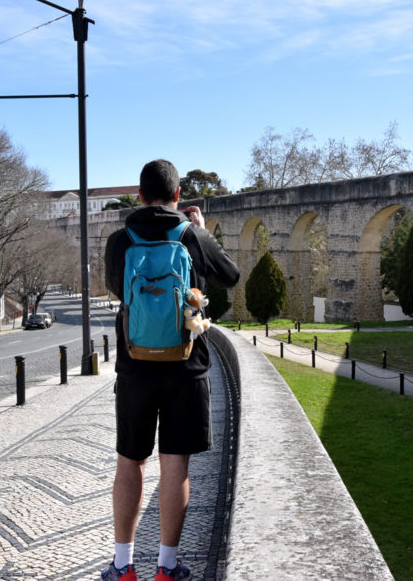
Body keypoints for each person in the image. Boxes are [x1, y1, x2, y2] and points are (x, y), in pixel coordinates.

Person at [101, 159, 240, 581]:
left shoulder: (120, 239)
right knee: (174, 463)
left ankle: (123, 566)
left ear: (140, 196)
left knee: (130, 461)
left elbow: (115, 287)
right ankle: (166, 567)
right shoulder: (192, 234)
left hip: (135, 364)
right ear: (178, 196)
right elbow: (231, 277)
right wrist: (202, 230)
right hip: (186, 365)